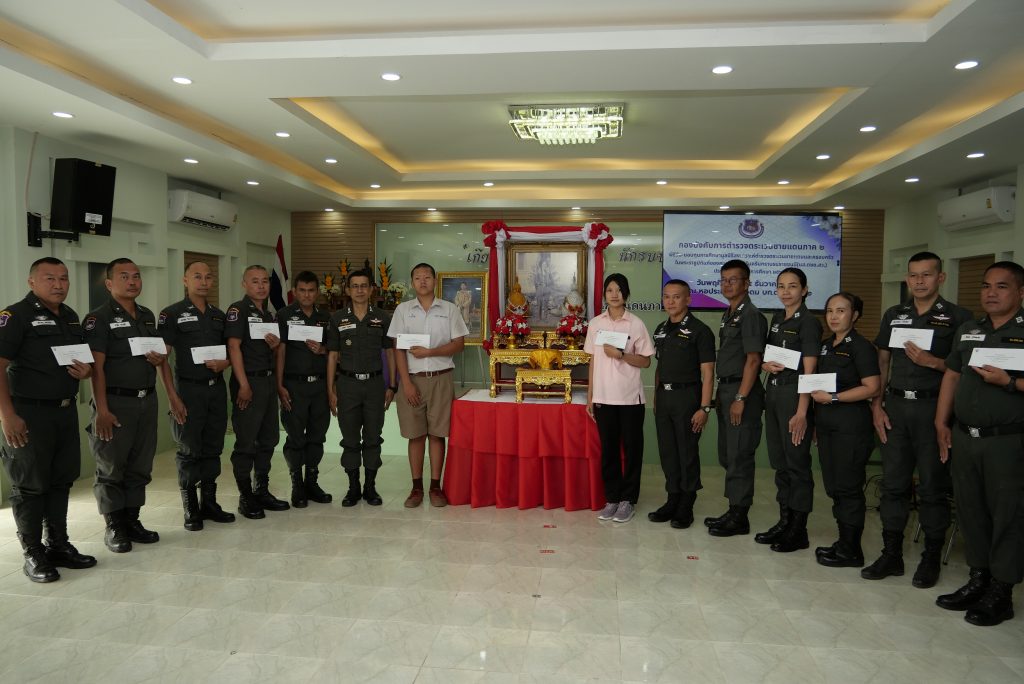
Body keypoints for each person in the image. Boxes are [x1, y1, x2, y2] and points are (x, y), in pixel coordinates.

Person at [863, 252, 972, 586]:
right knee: (893, 485)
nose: (919, 281)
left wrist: (932, 362)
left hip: (933, 409)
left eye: (926, 275)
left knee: (932, 488)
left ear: (941, 277)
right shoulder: (895, 315)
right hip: (896, 407)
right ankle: (891, 554)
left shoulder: (959, 318)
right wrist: (877, 405)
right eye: (913, 275)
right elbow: (882, 363)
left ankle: (930, 558)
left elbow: (963, 369)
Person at [934, 261, 1024, 627]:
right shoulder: (969, 329)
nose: (991, 293)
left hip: (1007, 441)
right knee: (971, 510)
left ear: (1020, 292)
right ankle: (979, 580)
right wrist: (941, 421)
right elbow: (952, 375)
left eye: (1001, 286)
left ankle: (1001, 592)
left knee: (1007, 515)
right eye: (986, 286)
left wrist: (1010, 383)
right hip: (965, 437)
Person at [0, 258, 96, 582]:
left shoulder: (70, 317)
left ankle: (58, 545)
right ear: (32, 282)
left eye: (63, 278)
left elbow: (82, 361)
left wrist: (87, 371)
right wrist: (7, 415)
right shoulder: (15, 316)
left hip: (64, 411)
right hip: (29, 415)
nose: (58, 284)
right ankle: (32, 553)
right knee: (29, 486)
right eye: (50, 278)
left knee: (60, 480)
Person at [84, 258, 164, 553]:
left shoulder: (147, 316)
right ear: (109, 283)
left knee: (140, 465)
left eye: (136, 276)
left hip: (147, 399)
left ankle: (132, 520)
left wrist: (159, 358)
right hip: (116, 402)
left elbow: (157, 355)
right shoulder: (98, 318)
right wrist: (102, 409)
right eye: (124, 276)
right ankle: (114, 526)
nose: (132, 281)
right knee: (111, 466)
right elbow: (96, 368)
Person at [157, 261, 236, 531]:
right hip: (188, 391)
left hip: (216, 390)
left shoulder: (219, 316)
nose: (203, 282)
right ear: (185, 280)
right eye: (197, 277)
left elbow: (231, 351)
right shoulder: (171, 314)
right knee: (189, 450)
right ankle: (191, 507)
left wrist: (226, 363)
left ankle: (209, 503)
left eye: (208, 277)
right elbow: (162, 360)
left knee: (213, 447)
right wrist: (172, 397)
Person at [386, 263, 468, 508]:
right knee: (415, 435)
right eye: (418, 278)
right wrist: (406, 383)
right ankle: (416, 488)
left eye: (427, 277)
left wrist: (431, 352)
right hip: (412, 380)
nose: (422, 281)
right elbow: (398, 348)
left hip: (441, 378)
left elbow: (459, 344)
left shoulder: (449, 309)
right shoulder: (402, 310)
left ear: (434, 280)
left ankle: (435, 487)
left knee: (437, 434)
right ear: (412, 282)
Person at [810, 292, 881, 568]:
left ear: (855, 315)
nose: (834, 316)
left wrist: (834, 398)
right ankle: (843, 543)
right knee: (835, 486)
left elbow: (872, 387)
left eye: (841, 311)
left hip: (851, 425)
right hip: (827, 425)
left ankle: (852, 550)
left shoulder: (861, 347)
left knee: (849, 487)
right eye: (830, 311)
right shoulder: (826, 346)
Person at [757, 268, 822, 552]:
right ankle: (784, 522)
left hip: (795, 397)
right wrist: (764, 364)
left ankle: (798, 529)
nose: (786, 291)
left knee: (797, 465)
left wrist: (802, 411)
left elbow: (810, 369)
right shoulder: (776, 318)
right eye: (781, 286)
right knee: (780, 463)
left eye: (792, 286)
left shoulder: (809, 322)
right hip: (773, 393)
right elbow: (769, 355)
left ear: (804, 290)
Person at [585, 273, 654, 524]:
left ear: (626, 293)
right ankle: (612, 499)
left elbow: (646, 361)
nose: (614, 295)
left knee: (633, 450)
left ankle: (628, 500)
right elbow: (593, 361)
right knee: (609, 451)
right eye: (610, 290)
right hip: (604, 398)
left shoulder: (635, 324)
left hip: (630, 399)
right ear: (604, 294)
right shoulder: (596, 324)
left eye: (619, 290)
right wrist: (591, 396)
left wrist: (621, 355)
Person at [705, 259, 767, 537]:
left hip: (743, 392)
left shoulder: (751, 315)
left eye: (733, 280)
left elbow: (753, 360)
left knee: (740, 455)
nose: (727, 284)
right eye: (723, 280)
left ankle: (740, 517)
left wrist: (741, 397)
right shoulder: (730, 313)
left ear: (747, 283)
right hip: (727, 390)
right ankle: (733, 509)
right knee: (729, 454)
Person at [326, 269, 396, 507]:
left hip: (375, 385)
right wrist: (330, 390)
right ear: (347, 290)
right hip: (347, 385)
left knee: (373, 437)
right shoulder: (337, 319)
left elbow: (390, 353)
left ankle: (370, 486)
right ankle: (353, 487)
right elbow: (332, 355)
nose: (359, 290)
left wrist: (392, 385)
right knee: (350, 438)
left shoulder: (382, 317)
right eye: (354, 286)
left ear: (371, 289)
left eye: (364, 286)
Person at [648, 279, 714, 528]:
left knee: (687, 452)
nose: (671, 301)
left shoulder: (700, 331)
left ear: (688, 299)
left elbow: (708, 373)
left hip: (688, 398)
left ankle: (687, 503)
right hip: (664, 398)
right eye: (666, 296)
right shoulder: (661, 329)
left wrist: (704, 407)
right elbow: (659, 367)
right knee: (668, 452)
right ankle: (672, 498)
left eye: (676, 297)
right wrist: (656, 397)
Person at [225, 265, 287, 519]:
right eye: (255, 281)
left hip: (268, 382)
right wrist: (243, 384)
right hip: (249, 382)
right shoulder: (238, 310)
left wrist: (276, 345)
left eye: (264, 281)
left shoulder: (270, 315)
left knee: (269, 438)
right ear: (244, 284)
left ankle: (261, 490)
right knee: (246, 442)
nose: (261, 286)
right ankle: (245, 496)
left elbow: (273, 351)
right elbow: (234, 347)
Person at [276, 271, 333, 508]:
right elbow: (280, 351)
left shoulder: (325, 317)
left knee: (317, 436)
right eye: (302, 290)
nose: (307, 295)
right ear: (295, 292)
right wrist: (279, 385)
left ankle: (312, 482)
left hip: (319, 386)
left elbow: (334, 352)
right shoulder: (284, 315)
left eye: (311, 291)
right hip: (294, 386)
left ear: (317, 292)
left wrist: (323, 350)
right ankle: (297, 484)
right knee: (295, 437)